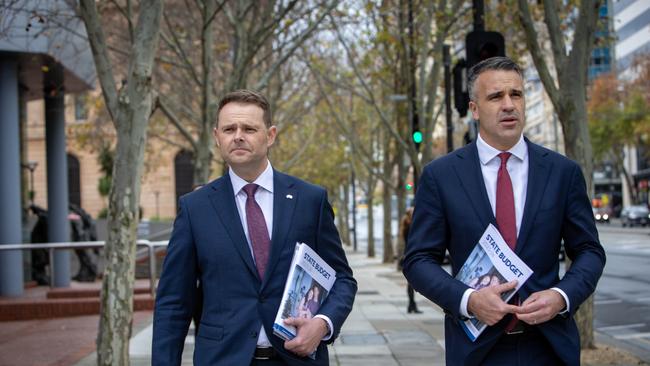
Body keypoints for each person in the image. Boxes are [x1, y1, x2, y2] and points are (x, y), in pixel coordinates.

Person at [403, 57, 606, 366]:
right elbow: (417, 260)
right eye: (496, 96)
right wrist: (468, 300)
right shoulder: (441, 176)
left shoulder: (562, 172)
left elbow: (590, 250)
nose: (509, 104)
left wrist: (561, 296)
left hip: (550, 347)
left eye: (517, 94)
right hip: (477, 352)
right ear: (474, 109)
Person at [153, 89, 357, 366]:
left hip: (296, 358)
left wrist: (323, 323)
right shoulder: (194, 209)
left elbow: (342, 279)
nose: (238, 135)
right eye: (229, 129)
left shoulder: (310, 200)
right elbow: (173, 303)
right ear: (217, 137)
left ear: (270, 135)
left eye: (249, 128)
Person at [399, 207, 421, 314]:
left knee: (411, 283)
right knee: (411, 283)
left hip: (408, 255)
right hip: (410, 256)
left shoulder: (407, 227)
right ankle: (412, 305)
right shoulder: (410, 227)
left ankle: (411, 305)